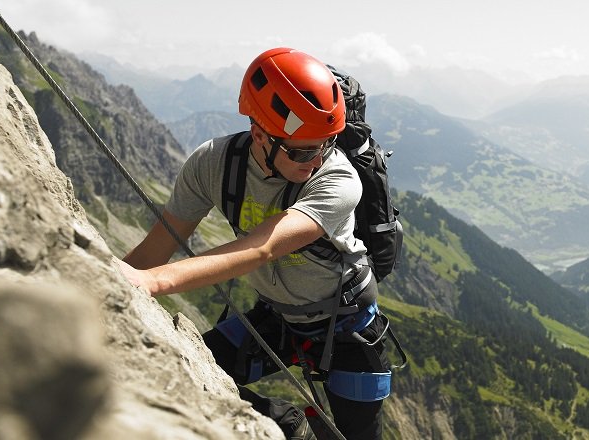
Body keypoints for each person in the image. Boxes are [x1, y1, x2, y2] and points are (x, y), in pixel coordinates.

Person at [115, 47, 390, 440]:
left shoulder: (340, 181)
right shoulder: (213, 163)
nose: (317, 159)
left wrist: (154, 282)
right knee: (189, 375)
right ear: (260, 133)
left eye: (327, 144)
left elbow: (262, 248)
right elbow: (155, 250)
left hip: (348, 325)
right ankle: (288, 426)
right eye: (303, 150)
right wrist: (105, 281)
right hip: (277, 316)